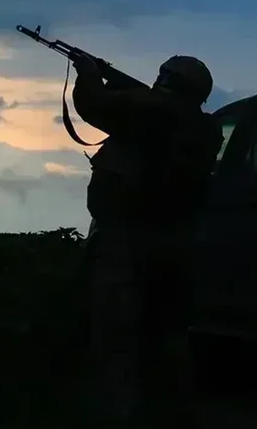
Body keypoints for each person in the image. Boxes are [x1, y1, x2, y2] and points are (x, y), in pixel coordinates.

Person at [72, 53, 224, 429]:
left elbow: (93, 106)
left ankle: (122, 414)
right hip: (176, 241)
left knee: (117, 335)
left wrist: (89, 74)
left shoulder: (147, 108)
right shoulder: (203, 127)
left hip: (127, 240)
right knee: (168, 336)